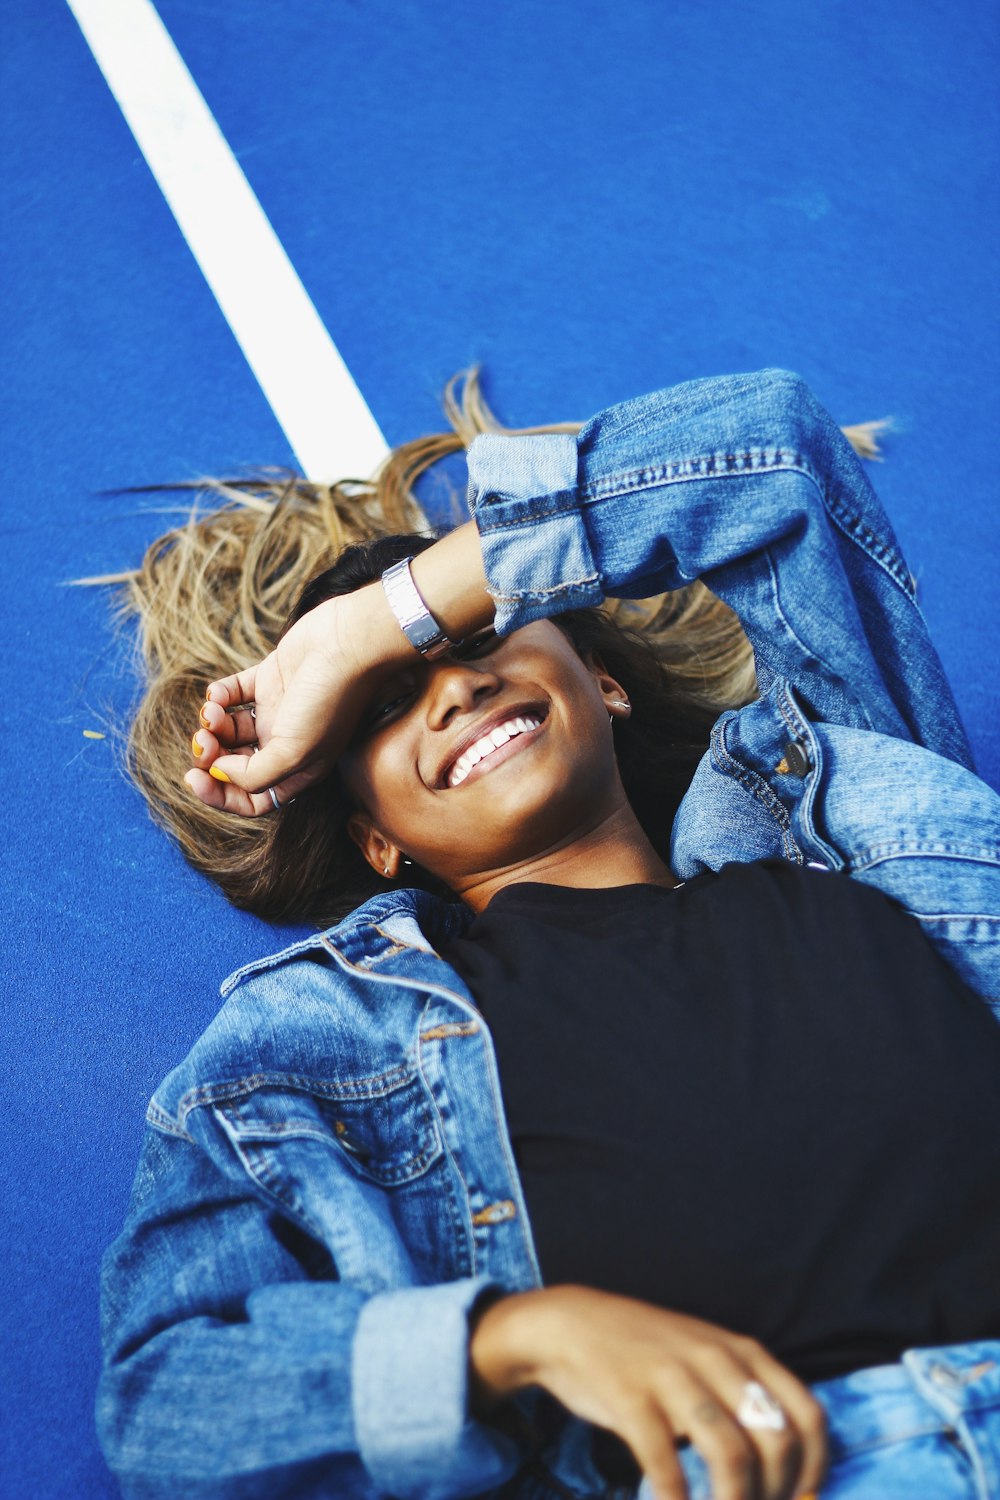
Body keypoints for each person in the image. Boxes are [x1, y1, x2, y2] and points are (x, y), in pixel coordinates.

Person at [96, 367, 1000, 1500]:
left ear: (606, 682)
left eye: (480, 639)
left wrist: (374, 626)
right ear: (376, 841)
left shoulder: (835, 801)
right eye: (384, 707)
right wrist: (510, 1343)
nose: (453, 691)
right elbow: (166, 1401)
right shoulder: (317, 1038)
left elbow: (768, 449)